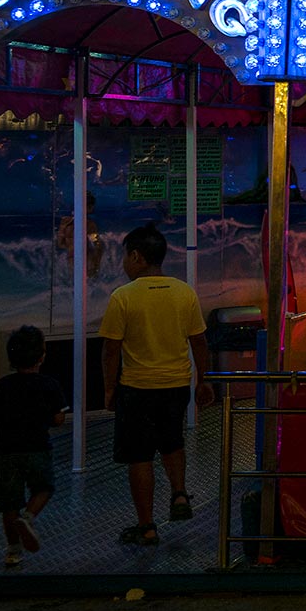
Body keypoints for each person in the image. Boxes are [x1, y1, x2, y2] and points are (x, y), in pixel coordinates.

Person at [99, 223, 214, 547]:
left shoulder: (123, 297)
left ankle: (147, 527)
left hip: (137, 387)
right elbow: (200, 342)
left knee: (140, 456)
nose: (124, 262)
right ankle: (179, 494)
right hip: (176, 384)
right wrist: (202, 380)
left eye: (125, 256)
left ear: (136, 256)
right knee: (172, 442)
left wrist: (109, 389)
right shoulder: (184, 292)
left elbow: (111, 349)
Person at [0, 325, 67, 567]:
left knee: (9, 501)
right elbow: (59, 418)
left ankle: (13, 550)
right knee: (44, 488)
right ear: (42, 356)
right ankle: (28, 517)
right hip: (37, 447)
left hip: (6, 451)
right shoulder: (49, 384)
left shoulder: (3, 385)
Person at [55, 191, 105, 280]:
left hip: (71, 260)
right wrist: (97, 264)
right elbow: (96, 245)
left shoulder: (66, 222)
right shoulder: (89, 225)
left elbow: (60, 244)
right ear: (89, 207)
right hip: (85, 261)